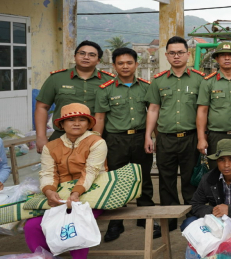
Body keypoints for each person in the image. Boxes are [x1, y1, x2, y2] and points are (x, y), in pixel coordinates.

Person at [24, 104, 106, 259]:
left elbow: (91, 171)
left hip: (91, 195)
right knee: (31, 226)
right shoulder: (51, 146)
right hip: (60, 197)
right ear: (61, 124)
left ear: (88, 123)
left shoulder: (97, 142)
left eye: (82, 120)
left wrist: (76, 193)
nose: (76, 123)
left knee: (75, 224)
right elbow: (47, 173)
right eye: (70, 120)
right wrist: (48, 191)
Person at [94, 47, 157, 242]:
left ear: (136, 64)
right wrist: (97, 143)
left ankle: (145, 217)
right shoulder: (106, 89)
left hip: (140, 138)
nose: (125, 66)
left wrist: (150, 137)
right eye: (120, 63)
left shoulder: (147, 87)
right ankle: (116, 223)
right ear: (114, 66)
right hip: (116, 140)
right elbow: (100, 117)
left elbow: (152, 112)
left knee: (144, 178)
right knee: (115, 181)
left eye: (129, 62)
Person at [145, 36, 206, 230]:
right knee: (166, 180)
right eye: (172, 53)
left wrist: (202, 138)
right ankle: (169, 220)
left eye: (180, 52)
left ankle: (193, 217)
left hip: (191, 137)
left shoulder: (200, 80)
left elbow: (204, 110)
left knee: (191, 180)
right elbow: (153, 109)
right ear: (166, 56)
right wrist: (149, 136)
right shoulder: (159, 81)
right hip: (165, 138)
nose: (176, 56)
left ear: (188, 54)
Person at [34, 40, 114, 151]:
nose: (86, 57)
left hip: (98, 136)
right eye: (82, 53)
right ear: (74, 56)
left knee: (96, 168)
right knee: (57, 167)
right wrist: (40, 137)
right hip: (62, 136)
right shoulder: (57, 78)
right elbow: (42, 107)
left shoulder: (110, 81)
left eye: (92, 55)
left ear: (98, 60)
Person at [197, 42, 231, 157]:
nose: (227, 58)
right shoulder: (208, 82)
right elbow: (202, 111)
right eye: (222, 55)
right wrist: (201, 138)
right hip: (217, 135)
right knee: (216, 169)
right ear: (217, 59)